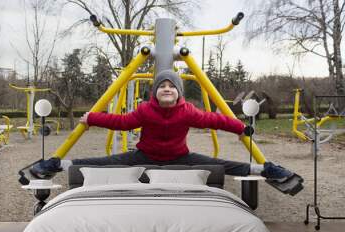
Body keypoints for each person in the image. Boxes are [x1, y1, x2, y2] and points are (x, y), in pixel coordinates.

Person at [32, 70, 293, 186]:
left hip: (180, 157)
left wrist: (240, 127)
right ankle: (57, 164)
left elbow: (215, 120)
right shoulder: (145, 110)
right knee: (105, 162)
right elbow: (122, 123)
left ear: (178, 93)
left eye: (171, 87)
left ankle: (265, 169)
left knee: (219, 163)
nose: (166, 89)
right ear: (155, 93)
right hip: (144, 155)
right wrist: (92, 119)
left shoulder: (188, 111)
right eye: (161, 87)